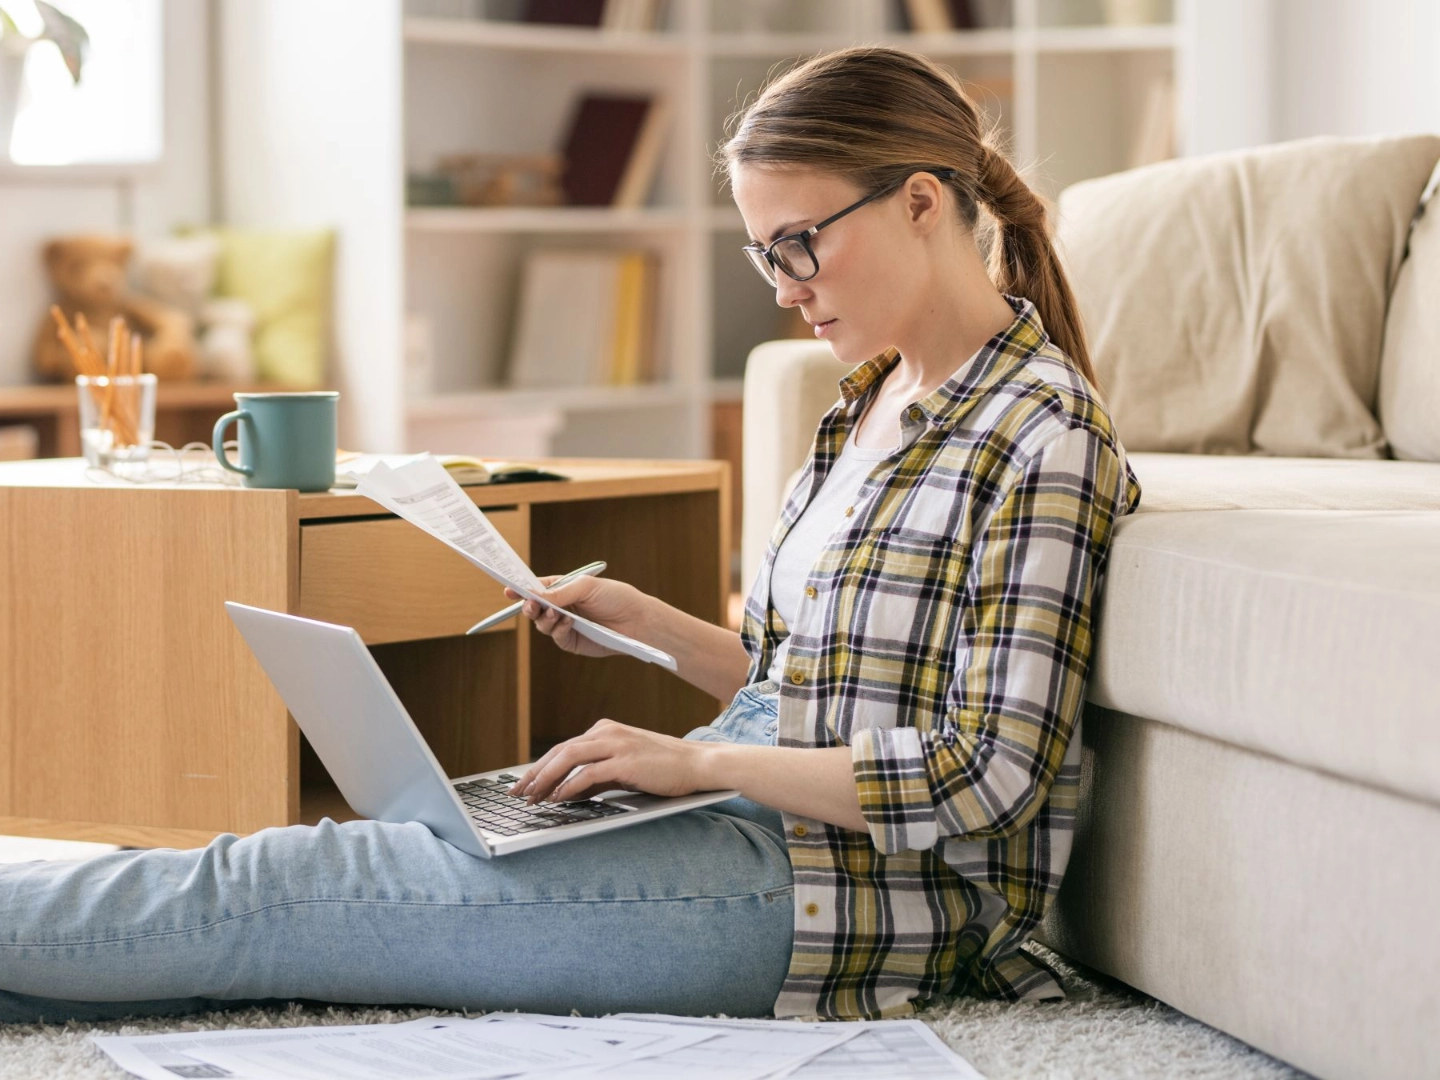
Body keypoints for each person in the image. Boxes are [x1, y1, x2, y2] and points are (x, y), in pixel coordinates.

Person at [0, 46, 1138, 1026]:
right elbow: (814, 689)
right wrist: (655, 630)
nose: (784, 289)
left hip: (837, 894)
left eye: (798, 244)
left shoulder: (1045, 435)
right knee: (305, 880)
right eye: (765, 254)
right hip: (749, 823)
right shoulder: (867, 401)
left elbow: (993, 775)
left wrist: (694, 762)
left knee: (284, 889)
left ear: (922, 203)